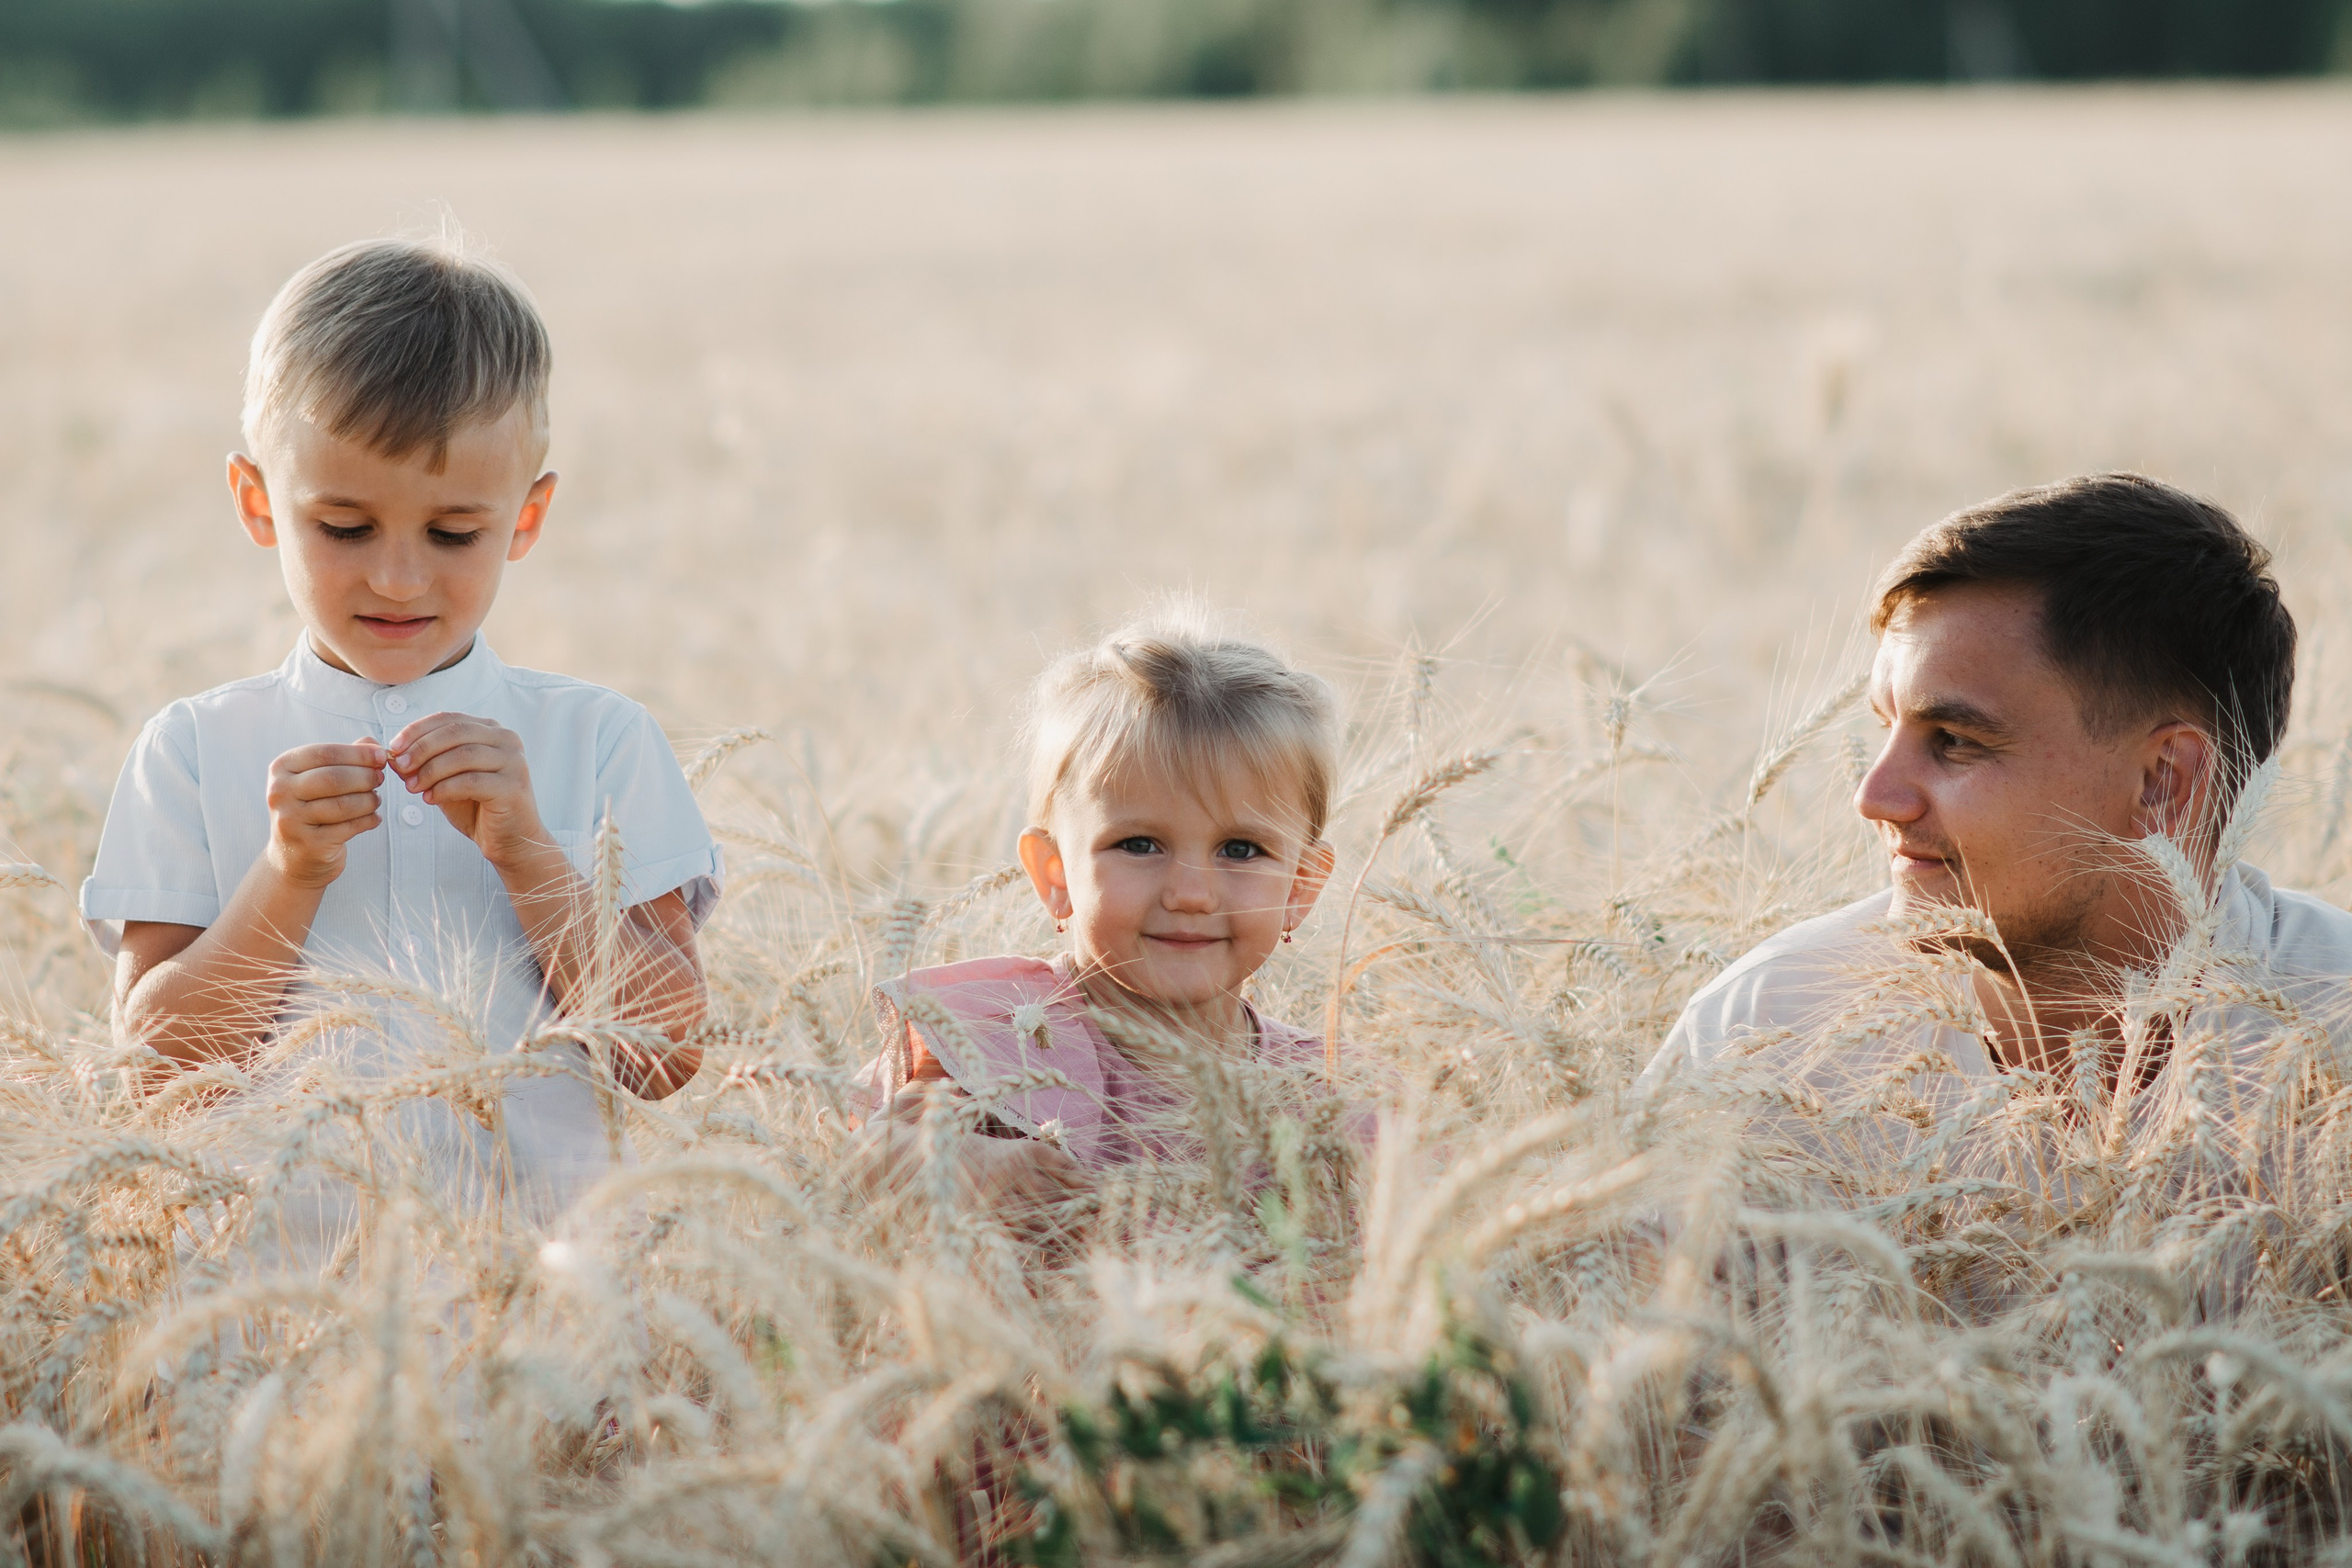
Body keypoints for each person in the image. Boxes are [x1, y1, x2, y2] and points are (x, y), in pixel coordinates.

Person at [80, 234, 722, 1232]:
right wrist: (286, 876)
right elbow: (157, 1079)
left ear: (526, 517)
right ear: (258, 503)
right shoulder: (192, 750)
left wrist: (530, 854)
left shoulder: (599, 739)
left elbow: (667, 1058)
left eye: (453, 533)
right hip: (276, 1325)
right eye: (344, 526)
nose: (397, 577)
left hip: (551, 1310)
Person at [1642, 473, 2345, 1206]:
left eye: (1953, 741)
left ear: (2162, 780)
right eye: (1887, 728)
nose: (1873, 796)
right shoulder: (1763, 1033)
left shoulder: (2338, 1035)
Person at [853, 610, 1350, 1232]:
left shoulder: (1328, 1097)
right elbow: (852, 1166)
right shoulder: (993, 1042)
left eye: (1241, 849)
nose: (1191, 893)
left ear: (1301, 885)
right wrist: (959, 1161)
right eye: (1140, 844)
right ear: (1055, 873)